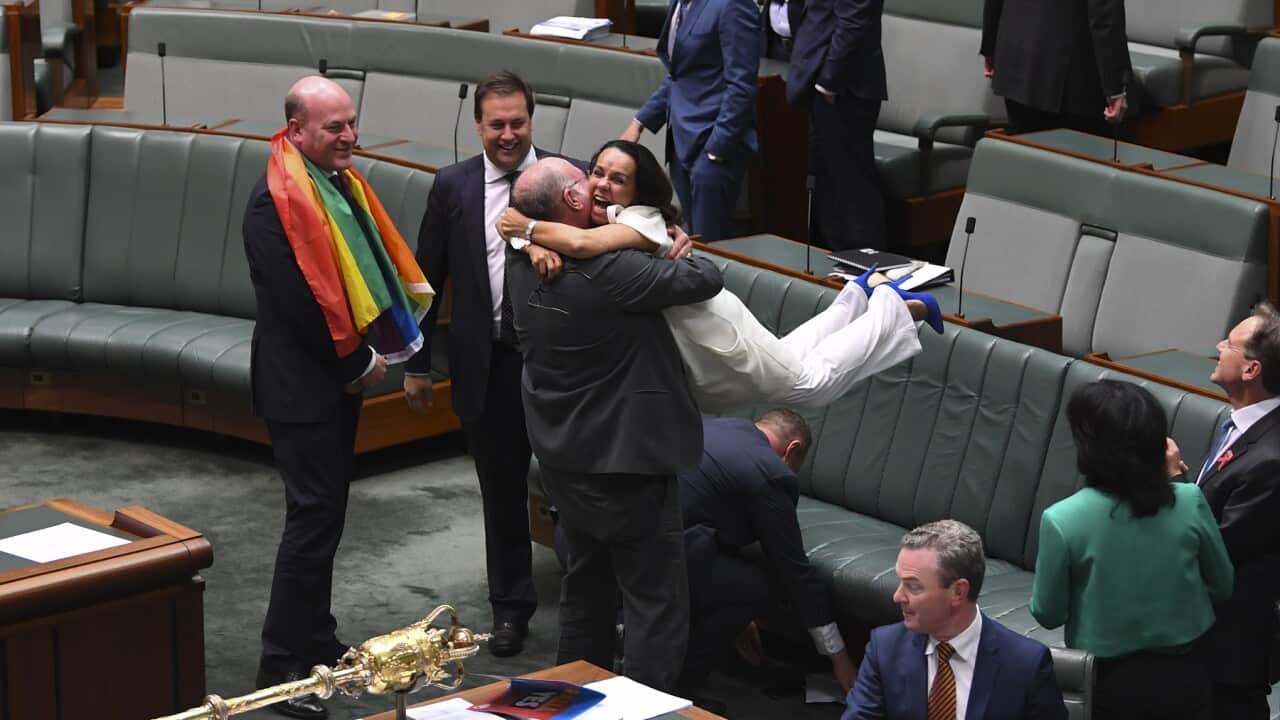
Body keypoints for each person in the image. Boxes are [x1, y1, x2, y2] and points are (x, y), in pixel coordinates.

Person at [245, 76, 433, 720]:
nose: (351, 136)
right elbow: (300, 304)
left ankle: (316, 640)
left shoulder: (338, 184)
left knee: (326, 519)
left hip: (331, 383)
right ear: (296, 130)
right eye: (335, 128)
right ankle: (282, 665)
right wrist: (356, 361)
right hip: (302, 388)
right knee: (311, 520)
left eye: (352, 123)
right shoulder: (274, 203)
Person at [497, 140, 937, 413]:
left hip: (716, 327)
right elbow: (547, 221)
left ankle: (895, 305)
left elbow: (581, 245)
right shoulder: (606, 213)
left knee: (807, 385)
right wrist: (524, 239)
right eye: (597, 173)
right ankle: (855, 298)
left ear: (639, 190)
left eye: (618, 179)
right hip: (702, 334)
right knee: (792, 355)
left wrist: (526, 230)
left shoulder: (644, 220)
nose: (601, 184)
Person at [505, 156, 724, 692]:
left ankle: (569, 698)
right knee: (655, 605)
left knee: (585, 592)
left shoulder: (522, 262)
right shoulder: (611, 272)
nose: (599, 186)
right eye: (588, 180)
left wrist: (532, 237)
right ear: (575, 203)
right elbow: (704, 277)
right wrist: (660, 242)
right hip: (627, 467)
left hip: (562, 459)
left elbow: (513, 236)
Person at [403, 71, 573, 657]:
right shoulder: (452, 186)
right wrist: (417, 363)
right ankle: (511, 610)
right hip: (488, 364)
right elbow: (426, 281)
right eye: (496, 124)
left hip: (556, 367)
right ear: (478, 125)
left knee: (575, 490)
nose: (508, 134)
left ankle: (594, 606)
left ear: (533, 121)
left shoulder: (564, 179)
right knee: (502, 495)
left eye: (518, 123)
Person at [1031, 380, 1234, 720]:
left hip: (1108, 684)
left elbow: (1048, 613)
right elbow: (1222, 584)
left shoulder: (1061, 520)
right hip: (1189, 675)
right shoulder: (1189, 500)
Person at [679, 410, 856, 697]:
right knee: (753, 588)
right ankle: (680, 685)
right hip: (667, 556)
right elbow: (795, 571)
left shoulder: (713, 426)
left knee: (731, 580)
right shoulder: (771, 473)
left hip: (623, 533)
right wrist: (840, 658)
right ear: (792, 449)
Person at [843, 520, 1067, 720]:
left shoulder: (1026, 665)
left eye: (912, 586)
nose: (898, 596)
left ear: (958, 592)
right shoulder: (885, 648)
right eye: (900, 582)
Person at [1197, 302, 1280, 720]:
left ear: (1252, 370)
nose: (1218, 346)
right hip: (1207, 643)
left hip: (1231, 651)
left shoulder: (1271, 458)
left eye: (1228, 344)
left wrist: (1171, 487)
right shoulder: (1241, 425)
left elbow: (1219, 549)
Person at [622, 0, 759, 242]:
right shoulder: (681, 3)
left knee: (712, 247)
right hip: (681, 140)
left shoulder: (733, 5)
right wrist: (639, 122)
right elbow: (680, 76)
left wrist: (717, 149)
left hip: (713, 145)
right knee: (692, 241)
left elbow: (742, 86)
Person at [786, 0, 887, 250]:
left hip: (846, 89)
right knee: (827, 189)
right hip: (823, 84)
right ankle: (836, 269)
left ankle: (868, 273)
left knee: (852, 194)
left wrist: (828, 82)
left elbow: (854, 20)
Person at [980, 0, 1132, 135]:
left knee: (1025, 160)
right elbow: (1104, 14)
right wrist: (1115, 86)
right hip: (1068, 78)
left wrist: (990, 48)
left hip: (1015, 61)